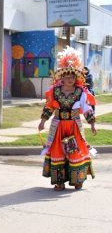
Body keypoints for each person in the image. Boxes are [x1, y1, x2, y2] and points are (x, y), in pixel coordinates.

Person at [39, 46, 96, 191]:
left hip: (74, 126)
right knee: (58, 151)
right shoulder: (55, 91)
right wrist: (43, 121)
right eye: (67, 76)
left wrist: (92, 124)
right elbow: (49, 106)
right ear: (62, 77)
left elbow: (86, 108)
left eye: (72, 76)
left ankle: (78, 180)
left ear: (76, 78)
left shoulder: (80, 92)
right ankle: (59, 182)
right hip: (58, 126)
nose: (69, 79)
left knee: (75, 151)